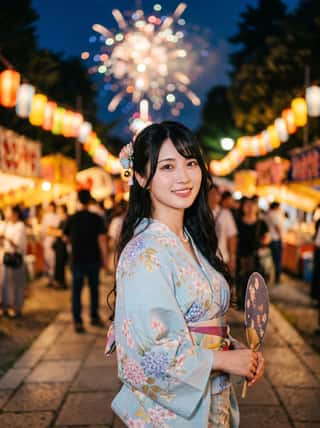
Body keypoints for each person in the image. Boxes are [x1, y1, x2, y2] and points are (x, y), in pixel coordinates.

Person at [110, 122, 264, 427]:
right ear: (141, 177)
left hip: (211, 395)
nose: (183, 176)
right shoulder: (145, 252)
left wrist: (233, 348)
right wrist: (220, 359)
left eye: (191, 163)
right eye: (167, 166)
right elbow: (147, 350)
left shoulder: (191, 241)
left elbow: (199, 323)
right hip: (173, 415)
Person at [64, 190, 107, 333]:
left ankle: (78, 322)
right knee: (94, 289)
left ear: (78, 201)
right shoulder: (97, 218)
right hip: (93, 259)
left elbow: (65, 238)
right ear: (90, 201)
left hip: (77, 259)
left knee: (76, 291)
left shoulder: (72, 218)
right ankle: (94, 316)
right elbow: (102, 241)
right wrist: (105, 260)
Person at [236, 197, 271, 310]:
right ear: (243, 207)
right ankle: (243, 304)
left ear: (257, 208)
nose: (250, 208)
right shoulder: (237, 221)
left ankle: (253, 306)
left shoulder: (262, 223)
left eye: (253, 205)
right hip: (240, 258)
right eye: (247, 205)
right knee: (241, 282)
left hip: (256, 259)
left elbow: (267, 237)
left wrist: (266, 239)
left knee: (255, 284)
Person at [0, 205, 27, 318]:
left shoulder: (20, 226)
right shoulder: (6, 225)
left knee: (16, 284)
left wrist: (5, 237)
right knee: (5, 283)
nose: (7, 213)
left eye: (8, 211)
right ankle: (7, 306)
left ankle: (17, 308)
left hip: (16, 257)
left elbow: (17, 244)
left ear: (15, 213)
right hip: (7, 256)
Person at [208, 184, 238, 276]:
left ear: (219, 197)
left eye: (216, 194)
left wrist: (232, 257)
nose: (213, 196)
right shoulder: (199, 213)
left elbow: (232, 237)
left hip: (222, 258)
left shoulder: (225, 214)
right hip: (204, 259)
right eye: (210, 193)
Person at [265, 202, 285, 284]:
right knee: (277, 260)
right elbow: (278, 228)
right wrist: (282, 239)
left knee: (270, 260)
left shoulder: (267, 214)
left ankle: (269, 277)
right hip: (275, 240)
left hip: (269, 239)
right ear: (276, 207)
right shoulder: (274, 214)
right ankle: (277, 278)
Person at [41, 201, 60, 286]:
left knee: (53, 260)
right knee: (47, 260)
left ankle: (54, 278)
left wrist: (52, 229)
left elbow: (58, 229)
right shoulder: (46, 217)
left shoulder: (57, 216)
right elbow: (44, 229)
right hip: (47, 240)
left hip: (54, 241)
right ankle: (49, 279)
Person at [52, 204, 69, 289]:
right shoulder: (62, 219)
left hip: (62, 246)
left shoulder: (65, 219)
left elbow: (64, 233)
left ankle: (61, 282)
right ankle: (59, 282)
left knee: (60, 264)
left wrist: (55, 232)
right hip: (59, 245)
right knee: (58, 264)